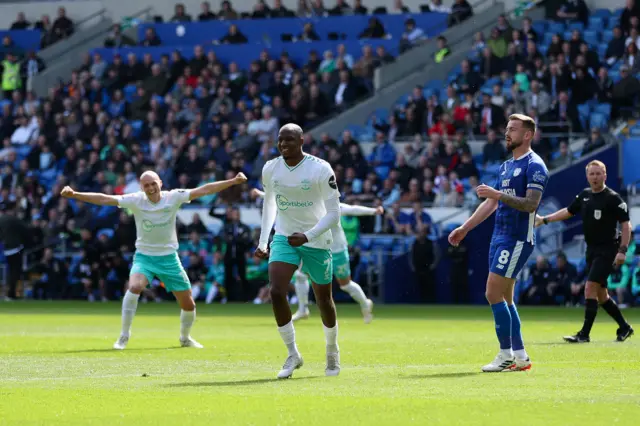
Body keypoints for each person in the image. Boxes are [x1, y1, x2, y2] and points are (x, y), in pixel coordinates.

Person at [61, 170, 247, 350]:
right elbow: (104, 198)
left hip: (169, 259)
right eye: (146, 185)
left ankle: (185, 338)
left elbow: (204, 189)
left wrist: (232, 181)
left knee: (189, 304)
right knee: (134, 287)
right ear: (142, 188)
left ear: (160, 183)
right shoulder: (136, 200)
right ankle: (124, 336)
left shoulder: (173, 196)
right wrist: (75, 194)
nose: (150, 188)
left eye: (153, 183)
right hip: (145, 257)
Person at [448, 114, 549, 372]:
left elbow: (531, 205)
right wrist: (465, 228)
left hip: (517, 239)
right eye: (507, 128)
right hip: (499, 237)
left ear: (527, 135)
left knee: (492, 292)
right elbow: (491, 203)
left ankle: (505, 355)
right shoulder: (505, 167)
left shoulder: (535, 165)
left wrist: (498, 194)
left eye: (513, 129)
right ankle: (521, 356)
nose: (507, 133)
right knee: (505, 297)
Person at [255, 123, 341, 379]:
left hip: (315, 240)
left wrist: (308, 235)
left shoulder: (320, 169)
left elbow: (335, 214)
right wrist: (263, 241)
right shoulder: (271, 169)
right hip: (284, 237)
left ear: (302, 141)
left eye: (289, 140)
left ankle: (332, 351)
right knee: (277, 291)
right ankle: (293, 354)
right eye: (280, 140)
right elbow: (269, 204)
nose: (283, 145)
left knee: (323, 300)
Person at [535, 160, 634, 343]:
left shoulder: (613, 198)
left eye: (598, 173)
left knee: (589, 287)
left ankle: (584, 334)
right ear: (587, 176)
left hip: (608, 249)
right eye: (592, 174)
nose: (595, 177)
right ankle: (625, 327)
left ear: (605, 175)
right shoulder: (585, 196)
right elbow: (568, 211)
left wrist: (622, 250)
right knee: (601, 295)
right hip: (592, 250)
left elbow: (626, 225)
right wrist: (545, 220)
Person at [252, 188, 382, 323]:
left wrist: (374, 211)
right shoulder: (308, 208)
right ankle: (303, 310)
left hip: (337, 251)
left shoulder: (333, 208)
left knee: (345, 285)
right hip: (319, 249)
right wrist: (262, 194)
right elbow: (283, 201)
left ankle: (365, 303)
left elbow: (353, 209)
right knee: (301, 275)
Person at [0, 208, 32, 300]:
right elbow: (26, 231)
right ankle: (12, 293)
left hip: (6, 249)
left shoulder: (1, 220)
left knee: (11, 271)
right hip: (16, 248)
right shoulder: (14, 220)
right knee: (16, 271)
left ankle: (10, 293)